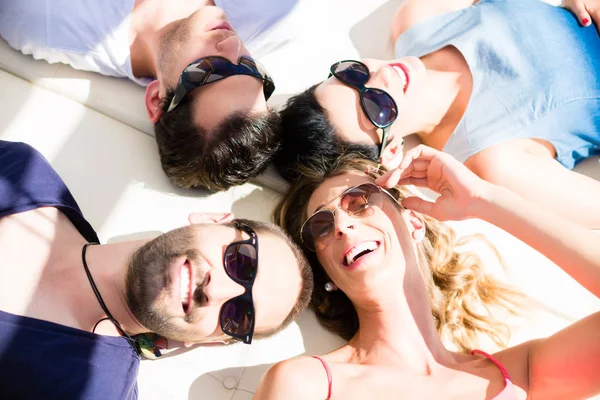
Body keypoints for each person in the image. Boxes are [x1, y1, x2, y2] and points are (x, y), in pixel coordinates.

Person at [255, 147, 600, 399]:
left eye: (360, 202)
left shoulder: (522, 373)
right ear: (326, 273)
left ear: (413, 222)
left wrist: (484, 200)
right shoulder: (306, 385)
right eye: (321, 226)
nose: (342, 225)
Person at [0, 140, 313, 399]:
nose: (217, 290)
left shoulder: (93, 389)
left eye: (237, 316)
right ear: (213, 219)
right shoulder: (22, 171)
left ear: (210, 340)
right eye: (242, 261)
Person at [274, 0, 600, 228]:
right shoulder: (494, 161)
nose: (382, 76)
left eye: (353, 74)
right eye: (375, 105)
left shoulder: (418, 19)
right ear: (390, 151)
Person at [0, 0, 295, 191]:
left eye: (211, 70)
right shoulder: (276, 13)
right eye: (250, 67)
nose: (232, 44)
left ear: (157, 99)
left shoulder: (44, 17)